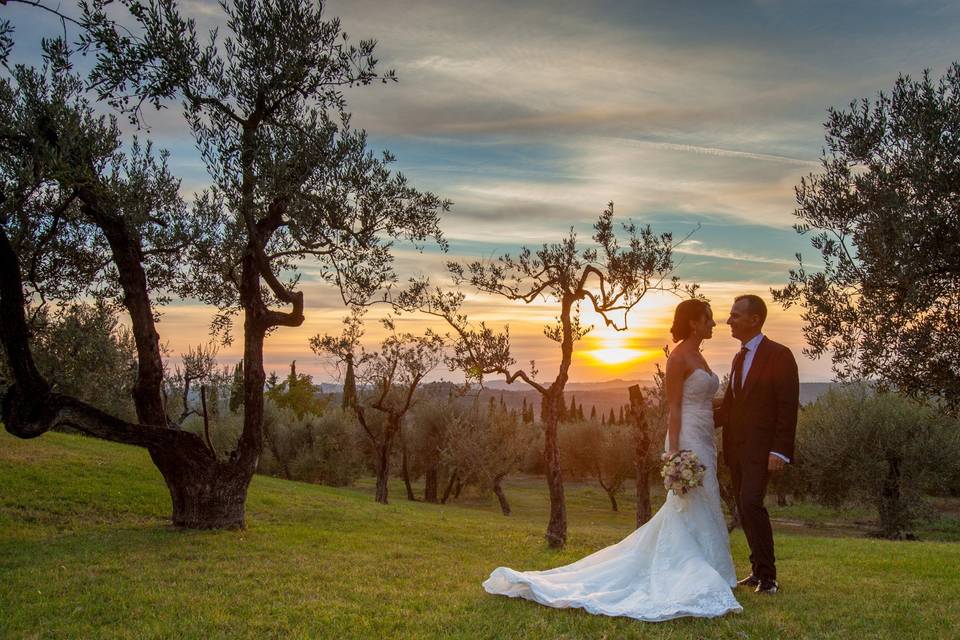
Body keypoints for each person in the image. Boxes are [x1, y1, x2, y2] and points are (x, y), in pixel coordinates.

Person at [482, 299, 742, 622]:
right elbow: (674, 408)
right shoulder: (678, 357)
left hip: (705, 437)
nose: (714, 325)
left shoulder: (700, 355)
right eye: (709, 319)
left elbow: (704, 400)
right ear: (693, 322)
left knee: (705, 498)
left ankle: (714, 569)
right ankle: (692, 572)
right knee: (689, 503)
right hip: (688, 437)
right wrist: (674, 453)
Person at [714, 295, 799, 595]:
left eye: (735, 316)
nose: (729, 321)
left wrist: (780, 451)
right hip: (735, 450)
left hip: (763, 451)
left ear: (755, 319)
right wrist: (693, 417)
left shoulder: (779, 355)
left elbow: (787, 407)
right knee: (743, 506)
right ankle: (755, 570)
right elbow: (730, 409)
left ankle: (769, 576)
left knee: (751, 503)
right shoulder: (738, 358)